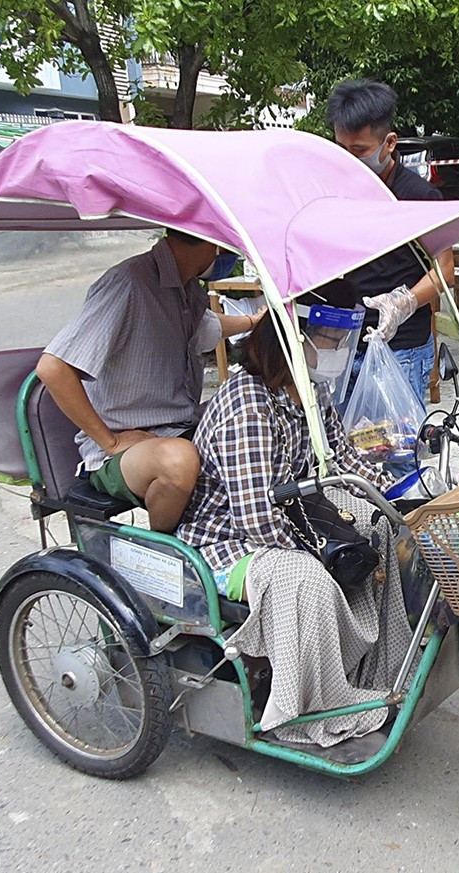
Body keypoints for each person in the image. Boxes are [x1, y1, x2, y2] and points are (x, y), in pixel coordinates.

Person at [176, 308, 411, 758]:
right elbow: (256, 517)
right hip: (227, 542)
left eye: (341, 340)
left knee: (380, 532)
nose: (337, 350)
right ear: (291, 342)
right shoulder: (247, 402)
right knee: (305, 579)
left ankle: (372, 675)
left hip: (295, 518)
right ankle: (305, 709)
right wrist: (322, 556)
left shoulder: (312, 391)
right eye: (328, 339)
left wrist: (393, 500)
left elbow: (343, 461)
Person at [37, 230, 264, 532]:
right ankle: (165, 553)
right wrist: (112, 441)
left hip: (179, 427)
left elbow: (206, 327)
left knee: (253, 411)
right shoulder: (129, 284)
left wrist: (253, 323)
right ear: (211, 243)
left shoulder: (187, 287)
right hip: (123, 449)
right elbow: (53, 368)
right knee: (178, 461)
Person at [326, 79, 455, 401]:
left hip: (401, 348)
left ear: (390, 143)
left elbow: (445, 271)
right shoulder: (335, 193)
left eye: (359, 151)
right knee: (345, 446)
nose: (349, 161)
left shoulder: (418, 197)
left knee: (393, 447)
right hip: (342, 342)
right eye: (341, 150)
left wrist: (402, 303)